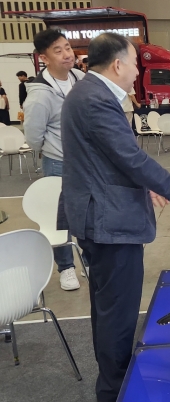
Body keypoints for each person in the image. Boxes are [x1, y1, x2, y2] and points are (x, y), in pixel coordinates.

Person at [61, 32, 170, 402]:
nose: (138, 71)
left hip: (102, 216)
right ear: (117, 65)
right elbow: (130, 157)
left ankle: (113, 380)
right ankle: (115, 389)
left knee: (109, 308)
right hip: (109, 223)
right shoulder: (96, 100)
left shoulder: (88, 93)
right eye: (135, 64)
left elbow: (110, 159)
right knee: (118, 314)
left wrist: (145, 186)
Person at [23, 29, 86, 290]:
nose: (66, 54)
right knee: (59, 218)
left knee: (87, 212)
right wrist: (53, 149)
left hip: (86, 161)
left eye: (68, 47)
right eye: (58, 51)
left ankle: (87, 260)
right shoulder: (40, 94)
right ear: (44, 58)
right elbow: (33, 135)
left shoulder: (80, 79)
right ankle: (66, 268)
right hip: (58, 162)